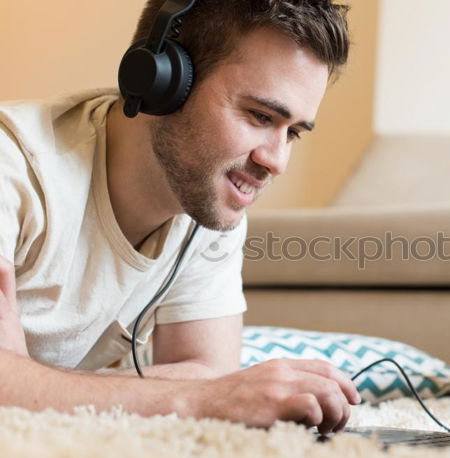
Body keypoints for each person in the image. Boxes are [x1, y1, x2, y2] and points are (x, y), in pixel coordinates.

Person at [0, 0, 361, 435]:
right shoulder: (13, 167)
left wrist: (28, 382)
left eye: (294, 132)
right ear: (161, 81)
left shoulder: (208, 202)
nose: (276, 160)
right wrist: (192, 397)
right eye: (260, 116)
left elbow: (210, 371)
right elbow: (211, 392)